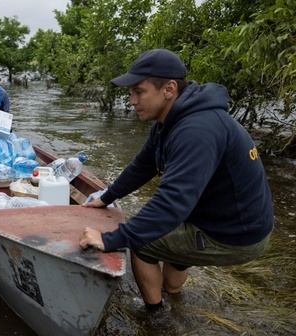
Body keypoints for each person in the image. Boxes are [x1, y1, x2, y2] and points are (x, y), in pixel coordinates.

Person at [79, 48, 274, 313]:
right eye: (131, 93)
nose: (132, 101)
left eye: (139, 92)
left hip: (236, 235)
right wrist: (107, 196)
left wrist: (112, 239)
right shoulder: (169, 121)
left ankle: (156, 316)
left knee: (141, 242)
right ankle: (172, 293)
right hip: (216, 217)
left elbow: (171, 204)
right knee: (162, 230)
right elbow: (143, 164)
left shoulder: (197, 130)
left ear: (169, 89)